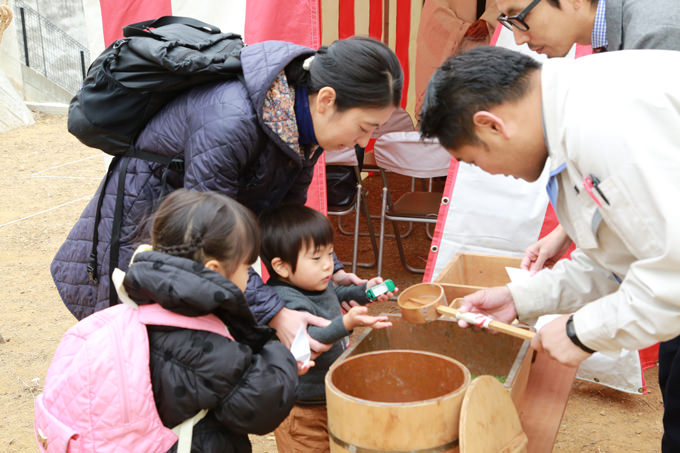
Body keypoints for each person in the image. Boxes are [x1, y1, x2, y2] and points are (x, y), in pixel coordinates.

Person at [51, 36, 403, 354]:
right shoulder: (230, 120)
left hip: (193, 241)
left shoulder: (302, 126)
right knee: (134, 356)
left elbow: (284, 218)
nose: (362, 143)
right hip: (142, 233)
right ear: (327, 99)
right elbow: (213, 235)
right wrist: (276, 313)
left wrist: (328, 270)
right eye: (363, 128)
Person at [419, 46, 680, 450]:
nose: (488, 172)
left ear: (490, 126)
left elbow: (673, 273)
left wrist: (580, 333)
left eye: (471, 161)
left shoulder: (602, 126)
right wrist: (519, 298)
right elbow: (611, 260)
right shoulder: (572, 111)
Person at [495, 0, 680, 272]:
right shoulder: (616, 34)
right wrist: (563, 233)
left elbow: (655, 178)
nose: (519, 38)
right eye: (507, 22)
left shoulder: (656, 32)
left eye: (519, 17)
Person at [126, 189, 298, 451]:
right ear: (215, 270)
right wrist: (278, 353)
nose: (250, 275)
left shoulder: (144, 305)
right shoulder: (203, 346)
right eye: (247, 267)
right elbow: (264, 404)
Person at [259, 204, 394, 452]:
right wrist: (346, 323)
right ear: (281, 266)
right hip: (302, 410)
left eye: (330, 254)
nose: (327, 266)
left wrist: (366, 292)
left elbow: (338, 293)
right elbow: (311, 339)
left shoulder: (316, 283)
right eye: (316, 258)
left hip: (330, 397)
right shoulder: (283, 301)